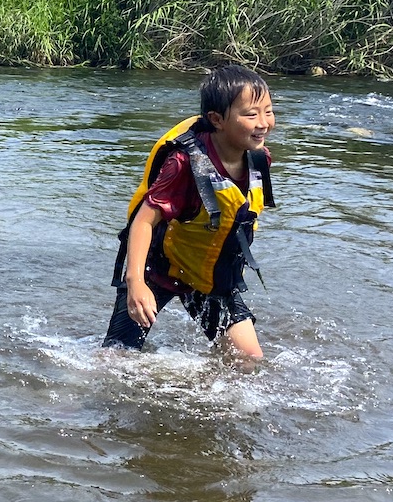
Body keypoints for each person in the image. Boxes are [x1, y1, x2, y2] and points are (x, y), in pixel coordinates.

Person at [104, 65, 276, 361]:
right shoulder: (185, 164)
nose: (263, 123)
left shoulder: (259, 160)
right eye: (251, 115)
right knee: (116, 358)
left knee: (249, 361)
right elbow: (144, 220)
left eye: (269, 112)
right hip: (157, 269)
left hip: (206, 276)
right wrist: (135, 282)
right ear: (217, 119)